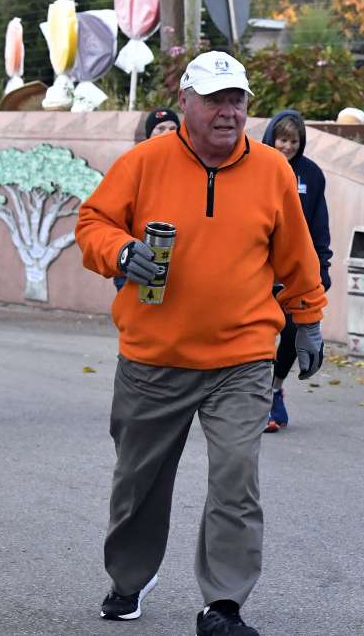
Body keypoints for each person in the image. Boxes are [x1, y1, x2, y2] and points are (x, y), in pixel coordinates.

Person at [75, 51, 327, 636]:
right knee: (139, 481)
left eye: (236, 100)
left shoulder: (271, 171)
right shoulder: (144, 162)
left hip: (241, 356)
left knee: (237, 475)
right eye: (214, 99)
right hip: (153, 357)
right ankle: (129, 578)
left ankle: (223, 604)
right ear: (185, 101)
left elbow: (297, 253)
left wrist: (308, 320)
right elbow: (92, 223)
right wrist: (121, 253)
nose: (227, 111)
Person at [261, 109, 332, 433]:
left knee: (291, 334)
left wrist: (322, 268)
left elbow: (318, 225)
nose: (287, 146)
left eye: (293, 141)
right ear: (271, 138)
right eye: (282, 139)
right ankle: (258, 398)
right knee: (260, 335)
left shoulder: (312, 175)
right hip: (258, 273)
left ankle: (275, 387)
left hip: (294, 276)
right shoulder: (256, 168)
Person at [113, 108, 183, 292]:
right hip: (136, 264)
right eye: (160, 128)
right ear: (148, 134)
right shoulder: (132, 166)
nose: (167, 133)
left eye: (172, 127)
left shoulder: (190, 168)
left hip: (175, 269)